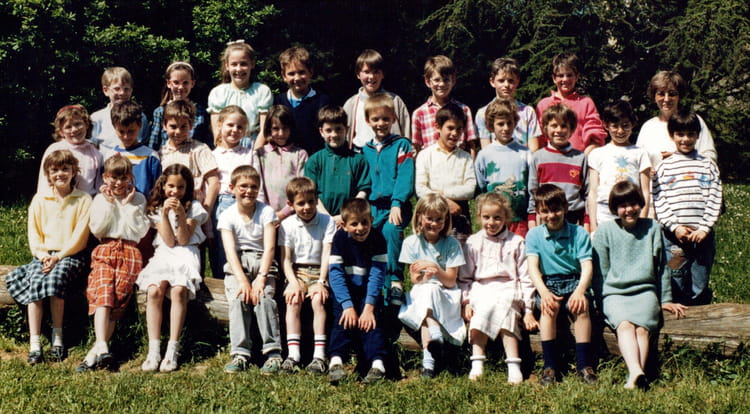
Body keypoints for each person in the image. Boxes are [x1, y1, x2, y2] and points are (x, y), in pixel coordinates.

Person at [592, 180, 687, 389]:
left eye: (633, 204)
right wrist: (599, 302)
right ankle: (637, 372)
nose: (629, 210)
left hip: (645, 292)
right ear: (615, 208)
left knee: (642, 329)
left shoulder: (653, 228)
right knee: (625, 325)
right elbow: (599, 273)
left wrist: (665, 299)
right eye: (623, 205)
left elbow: (662, 266)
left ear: (641, 204)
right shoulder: (605, 231)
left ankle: (635, 376)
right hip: (615, 294)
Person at [6, 150, 92, 365]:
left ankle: (57, 338)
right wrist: (43, 255)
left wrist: (59, 257)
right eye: (55, 170)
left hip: (70, 255)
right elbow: (34, 233)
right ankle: (35, 343)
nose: (60, 174)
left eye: (65, 169)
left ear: (74, 171)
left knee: (54, 281)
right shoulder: (40, 199)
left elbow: (80, 237)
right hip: (44, 255)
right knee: (35, 282)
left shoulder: (83, 199)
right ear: (48, 174)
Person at [77, 155, 149, 372]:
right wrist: (110, 204)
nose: (118, 183)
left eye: (123, 178)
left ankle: (94, 354)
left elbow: (140, 231)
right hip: (106, 249)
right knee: (103, 292)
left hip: (129, 252)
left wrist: (127, 206)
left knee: (117, 299)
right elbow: (98, 229)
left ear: (130, 178)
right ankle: (102, 345)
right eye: (114, 178)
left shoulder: (138, 199)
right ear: (106, 178)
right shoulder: (100, 200)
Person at [136, 164, 208, 373]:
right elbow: (168, 241)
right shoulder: (156, 208)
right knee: (154, 291)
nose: (175, 192)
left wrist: (181, 214)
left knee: (178, 291)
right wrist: (165, 214)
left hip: (186, 252)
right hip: (165, 252)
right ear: (163, 186)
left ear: (187, 188)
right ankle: (154, 349)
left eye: (180, 187)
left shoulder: (194, 207)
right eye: (171, 186)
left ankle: (172, 348)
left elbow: (183, 239)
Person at [459, 192, 538, 383]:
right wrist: (466, 302)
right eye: (486, 217)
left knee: (506, 308)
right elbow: (465, 276)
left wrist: (528, 310)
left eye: (497, 218)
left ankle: (513, 364)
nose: (491, 222)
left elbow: (526, 278)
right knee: (482, 308)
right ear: (479, 217)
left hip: (508, 286)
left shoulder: (516, 242)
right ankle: (477, 361)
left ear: (506, 218)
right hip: (482, 287)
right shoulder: (473, 242)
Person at [525, 184, 597, 385]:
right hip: (549, 282)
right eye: (545, 211)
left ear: (565, 208)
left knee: (581, 309)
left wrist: (580, 291)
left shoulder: (579, 233)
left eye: (556, 210)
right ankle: (550, 366)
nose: (551, 216)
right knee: (549, 309)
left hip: (575, 280)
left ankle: (584, 365)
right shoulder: (534, 235)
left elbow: (587, 266)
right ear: (538, 212)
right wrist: (544, 292)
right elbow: (533, 268)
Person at [218, 165, 283, 374]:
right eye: (243, 186)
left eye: (254, 187)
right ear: (232, 188)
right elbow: (229, 251)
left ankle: (273, 353)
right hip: (238, 264)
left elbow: (270, 247)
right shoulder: (227, 215)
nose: (249, 191)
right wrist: (243, 281)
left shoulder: (266, 212)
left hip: (263, 261)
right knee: (239, 298)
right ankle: (240, 353)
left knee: (264, 298)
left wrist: (261, 278)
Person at [652, 110, 722, 306]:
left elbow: (715, 197)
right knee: (676, 276)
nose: (685, 139)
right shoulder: (664, 167)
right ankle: (678, 312)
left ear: (698, 135)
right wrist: (674, 227)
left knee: (700, 277)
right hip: (675, 236)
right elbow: (659, 199)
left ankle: (700, 309)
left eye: (691, 134)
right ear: (672, 135)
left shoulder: (708, 165)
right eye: (680, 134)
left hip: (702, 236)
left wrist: (705, 228)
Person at [398, 193, 466, 379]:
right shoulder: (412, 242)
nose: (434, 224)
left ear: (446, 220)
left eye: (439, 219)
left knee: (429, 296)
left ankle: (428, 363)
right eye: (429, 218)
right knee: (426, 294)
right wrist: (424, 277)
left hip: (446, 293)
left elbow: (451, 280)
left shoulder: (451, 244)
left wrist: (436, 269)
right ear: (420, 217)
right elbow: (414, 279)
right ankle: (434, 346)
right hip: (422, 291)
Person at [361, 92, 415, 306]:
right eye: (375, 119)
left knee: (391, 232)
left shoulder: (401, 145)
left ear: (393, 118)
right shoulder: (365, 150)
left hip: (395, 205)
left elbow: (405, 176)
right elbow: (363, 179)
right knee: (371, 240)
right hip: (372, 207)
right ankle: (376, 288)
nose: (381, 123)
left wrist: (397, 202)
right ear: (368, 121)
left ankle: (395, 282)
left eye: (385, 118)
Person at [278, 177, 336, 374]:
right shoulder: (287, 225)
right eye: (301, 203)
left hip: (320, 271)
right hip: (297, 272)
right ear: (290, 205)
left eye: (311, 201)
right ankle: (293, 355)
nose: (307, 207)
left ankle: (319, 356)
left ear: (317, 200)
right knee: (293, 300)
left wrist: (322, 281)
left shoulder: (327, 221)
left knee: (318, 300)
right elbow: (285, 259)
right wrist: (293, 283)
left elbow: (327, 254)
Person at [327, 198, 389, 384]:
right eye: (354, 224)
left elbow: (377, 275)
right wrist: (347, 305)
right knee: (342, 319)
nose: (360, 228)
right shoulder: (339, 239)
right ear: (344, 225)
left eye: (364, 222)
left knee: (371, 322)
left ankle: (377, 364)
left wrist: (369, 307)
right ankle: (336, 361)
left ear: (371, 220)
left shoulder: (378, 239)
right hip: (345, 291)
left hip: (367, 293)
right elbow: (335, 274)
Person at [158, 100, 220, 275]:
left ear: (191, 125)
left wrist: (205, 211)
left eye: (183, 127)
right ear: (164, 125)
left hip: (192, 213)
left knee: (193, 259)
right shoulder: (161, 152)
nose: (178, 132)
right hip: (169, 214)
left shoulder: (199, 149)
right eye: (173, 126)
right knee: (168, 259)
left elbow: (214, 182)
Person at [414, 103, 476, 244]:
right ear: (437, 127)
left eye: (459, 129)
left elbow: (470, 189)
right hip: (431, 216)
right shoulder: (425, 155)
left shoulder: (465, 157)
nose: (455, 133)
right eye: (450, 128)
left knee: (460, 253)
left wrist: (443, 193)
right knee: (431, 254)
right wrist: (445, 202)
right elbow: (421, 189)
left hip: (459, 214)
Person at [587, 100, 651, 232]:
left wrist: (643, 221)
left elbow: (645, 190)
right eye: (615, 126)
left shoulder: (640, 153)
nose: (620, 131)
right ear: (606, 126)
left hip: (632, 212)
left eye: (625, 125)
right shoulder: (597, 153)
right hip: (605, 212)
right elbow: (592, 192)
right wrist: (593, 224)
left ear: (633, 124)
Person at [635, 70, 717, 171]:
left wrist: (679, 159)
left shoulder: (693, 120)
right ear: (654, 97)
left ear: (679, 96)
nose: (666, 99)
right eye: (661, 94)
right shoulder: (648, 127)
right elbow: (638, 162)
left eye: (672, 94)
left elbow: (710, 156)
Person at [305, 105, 371, 227]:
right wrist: (327, 217)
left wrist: (346, 216)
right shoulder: (314, 161)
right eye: (328, 130)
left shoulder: (358, 160)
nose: (334, 134)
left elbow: (363, 191)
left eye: (338, 129)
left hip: (350, 222)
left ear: (347, 129)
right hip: (320, 220)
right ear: (321, 131)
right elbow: (311, 194)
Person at [474, 98, 531, 237]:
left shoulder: (526, 153)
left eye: (509, 123)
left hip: (519, 220)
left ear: (515, 123)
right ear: (491, 125)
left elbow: (532, 188)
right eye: (500, 124)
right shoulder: (484, 155)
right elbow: (481, 189)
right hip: (493, 221)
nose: (506, 128)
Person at [527, 103, 589, 230]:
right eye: (554, 125)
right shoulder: (538, 157)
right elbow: (533, 191)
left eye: (564, 126)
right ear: (545, 128)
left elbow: (587, 193)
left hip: (574, 218)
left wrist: (587, 221)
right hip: (546, 218)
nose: (559, 130)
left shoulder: (581, 158)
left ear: (571, 129)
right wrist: (532, 218)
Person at [211, 106, 253, 279]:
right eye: (230, 125)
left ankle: (241, 280)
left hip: (244, 202)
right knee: (222, 246)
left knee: (242, 244)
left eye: (240, 127)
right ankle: (221, 280)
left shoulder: (249, 154)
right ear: (220, 124)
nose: (235, 130)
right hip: (221, 202)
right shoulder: (213, 154)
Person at [535, 52, 606, 154]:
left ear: (576, 76)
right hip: (550, 159)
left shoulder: (586, 103)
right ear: (554, 78)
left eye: (569, 75)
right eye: (561, 75)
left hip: (579, 158)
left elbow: (596, 135)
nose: (565, 79)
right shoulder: (543, 104)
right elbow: (539, 137)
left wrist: (583, 158)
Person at [208, 40, 273, 149]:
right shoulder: (218, 93)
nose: (238, 69)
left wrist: (254, 153)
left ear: (252, 64)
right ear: (227, 66)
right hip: (226, 145)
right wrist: (226, 151)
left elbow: (264, 130)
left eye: (243, 64)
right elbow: (217, 131)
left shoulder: (262, 91)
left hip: (254, 145)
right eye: (234, 64)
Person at [411, 55, 478, 156]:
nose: (442, 84)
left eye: (446, 80)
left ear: (453, 81)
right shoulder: (419, 114)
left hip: (458, 162)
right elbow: (417, 148)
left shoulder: (464, 110)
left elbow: (471, 145)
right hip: (431, 164)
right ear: (428, 82)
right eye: (437, 80)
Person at [343, 49, 410, 150]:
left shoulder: (394, 101)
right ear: (358, 74)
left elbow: (406, 131)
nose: (371, 77)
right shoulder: (351, 104)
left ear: (383, 74)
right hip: (359, 153)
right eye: (366, 72)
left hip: (390, 152)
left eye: (376, 72)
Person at [252, 105, 308, 223]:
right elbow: (258, 187)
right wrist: (266, 213)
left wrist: (283, 213)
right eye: (276, 128)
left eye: (285, 128)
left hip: (294, 216)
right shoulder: (260, 154)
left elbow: (301, 188)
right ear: (268, 130)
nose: (281, 133)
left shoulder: (300, 154)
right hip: (265, 216)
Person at [273, 47, 331, 156]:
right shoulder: (278, 102)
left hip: (315, 159)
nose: (297, 78)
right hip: (285, 160)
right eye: (291, 73)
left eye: (301, 72)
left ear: (311, 72)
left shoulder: (323, 102)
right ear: (283, 76)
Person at [475, 57, 542, 150]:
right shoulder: (483, 114)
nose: (506, 85)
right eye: (501, 81)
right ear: (492, 82)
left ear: (517, 82)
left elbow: (534, 148)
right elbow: (486, 149)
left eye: (511, 81)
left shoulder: (528, 112)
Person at [36, 104, 103, 197]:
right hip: (59, 201)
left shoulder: (95, 153)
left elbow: (99, 186)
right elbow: (44, 182)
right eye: (68, 127)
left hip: (87, 202)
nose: (74, 129)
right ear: (61, 132)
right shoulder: (55, 149)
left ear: (87, 124)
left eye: (78, 124)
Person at [148, 61, 212, 151]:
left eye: (185, 83)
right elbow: (153, 143)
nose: (181, 87)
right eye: (176, 82)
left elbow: (208, 141)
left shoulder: (200, 112)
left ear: (192, 83)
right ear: (168, 83)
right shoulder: (160, 112)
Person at [103, 101, 162, 198]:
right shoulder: (110, 155)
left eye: (131, 131)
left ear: (140, 125)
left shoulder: (151, 156)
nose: (126, 136)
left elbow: (157, 191)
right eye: (121, 131)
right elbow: (106, 185)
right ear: (114, 127)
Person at [90, 66, 149, 151]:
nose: (122, 93)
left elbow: (144, 145)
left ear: (131, 90)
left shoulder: (140, 117)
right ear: (106, 90)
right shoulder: (96, 119)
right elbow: (91, 149)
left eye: (126, 89)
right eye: (117, 89)